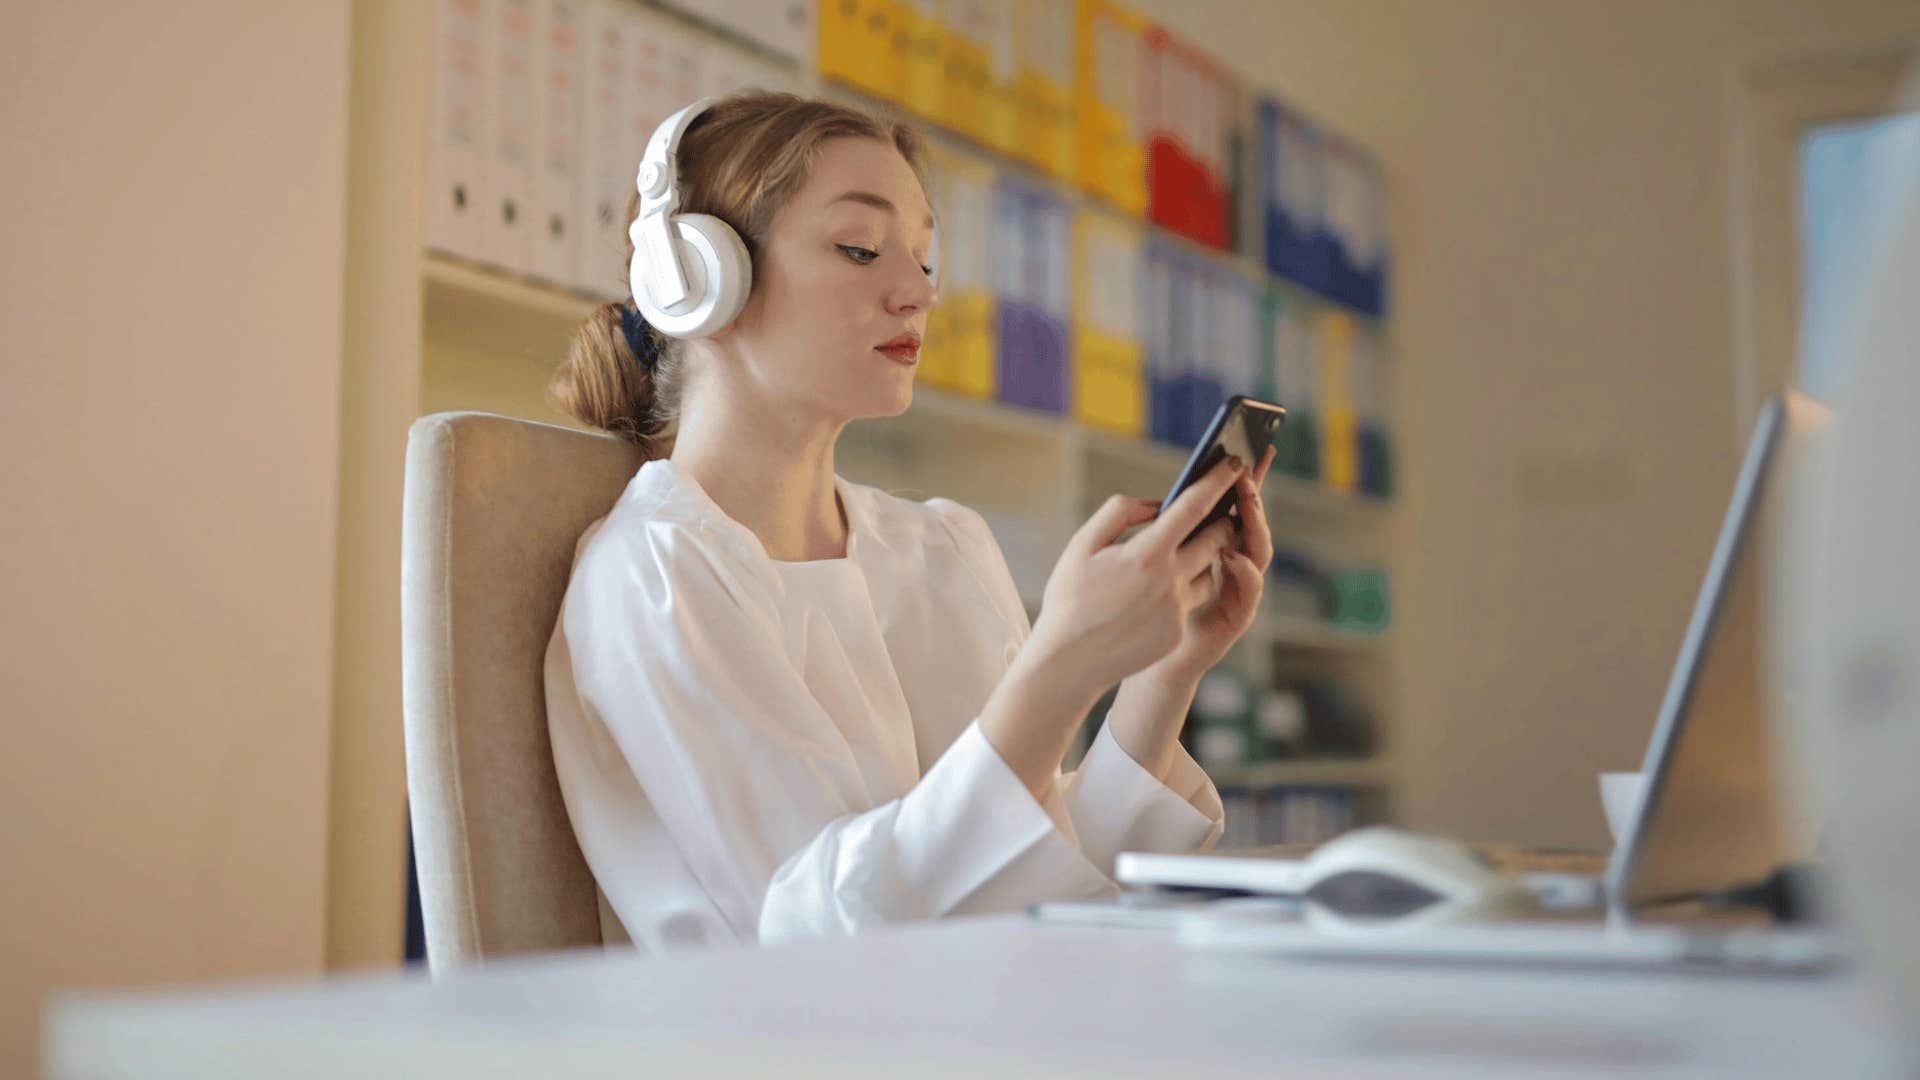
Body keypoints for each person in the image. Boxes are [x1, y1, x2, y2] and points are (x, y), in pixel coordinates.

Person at [543, 91, 1277, 952]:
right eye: (860, 248)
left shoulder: (942, 548)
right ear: (698, 280)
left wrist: (1166, 670)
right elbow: (828, 946)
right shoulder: (655, 576)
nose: (917, 293)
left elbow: (1042, 881)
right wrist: (1064, 664)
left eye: (925, 259)